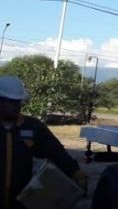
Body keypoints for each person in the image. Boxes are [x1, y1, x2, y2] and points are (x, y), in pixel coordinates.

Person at [0, 76, 87, 208]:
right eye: (11, 102)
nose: (17, 106)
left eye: (19, 102)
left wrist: (76, 173)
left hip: (21, 201)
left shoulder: (33, 126)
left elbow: (56, 152)